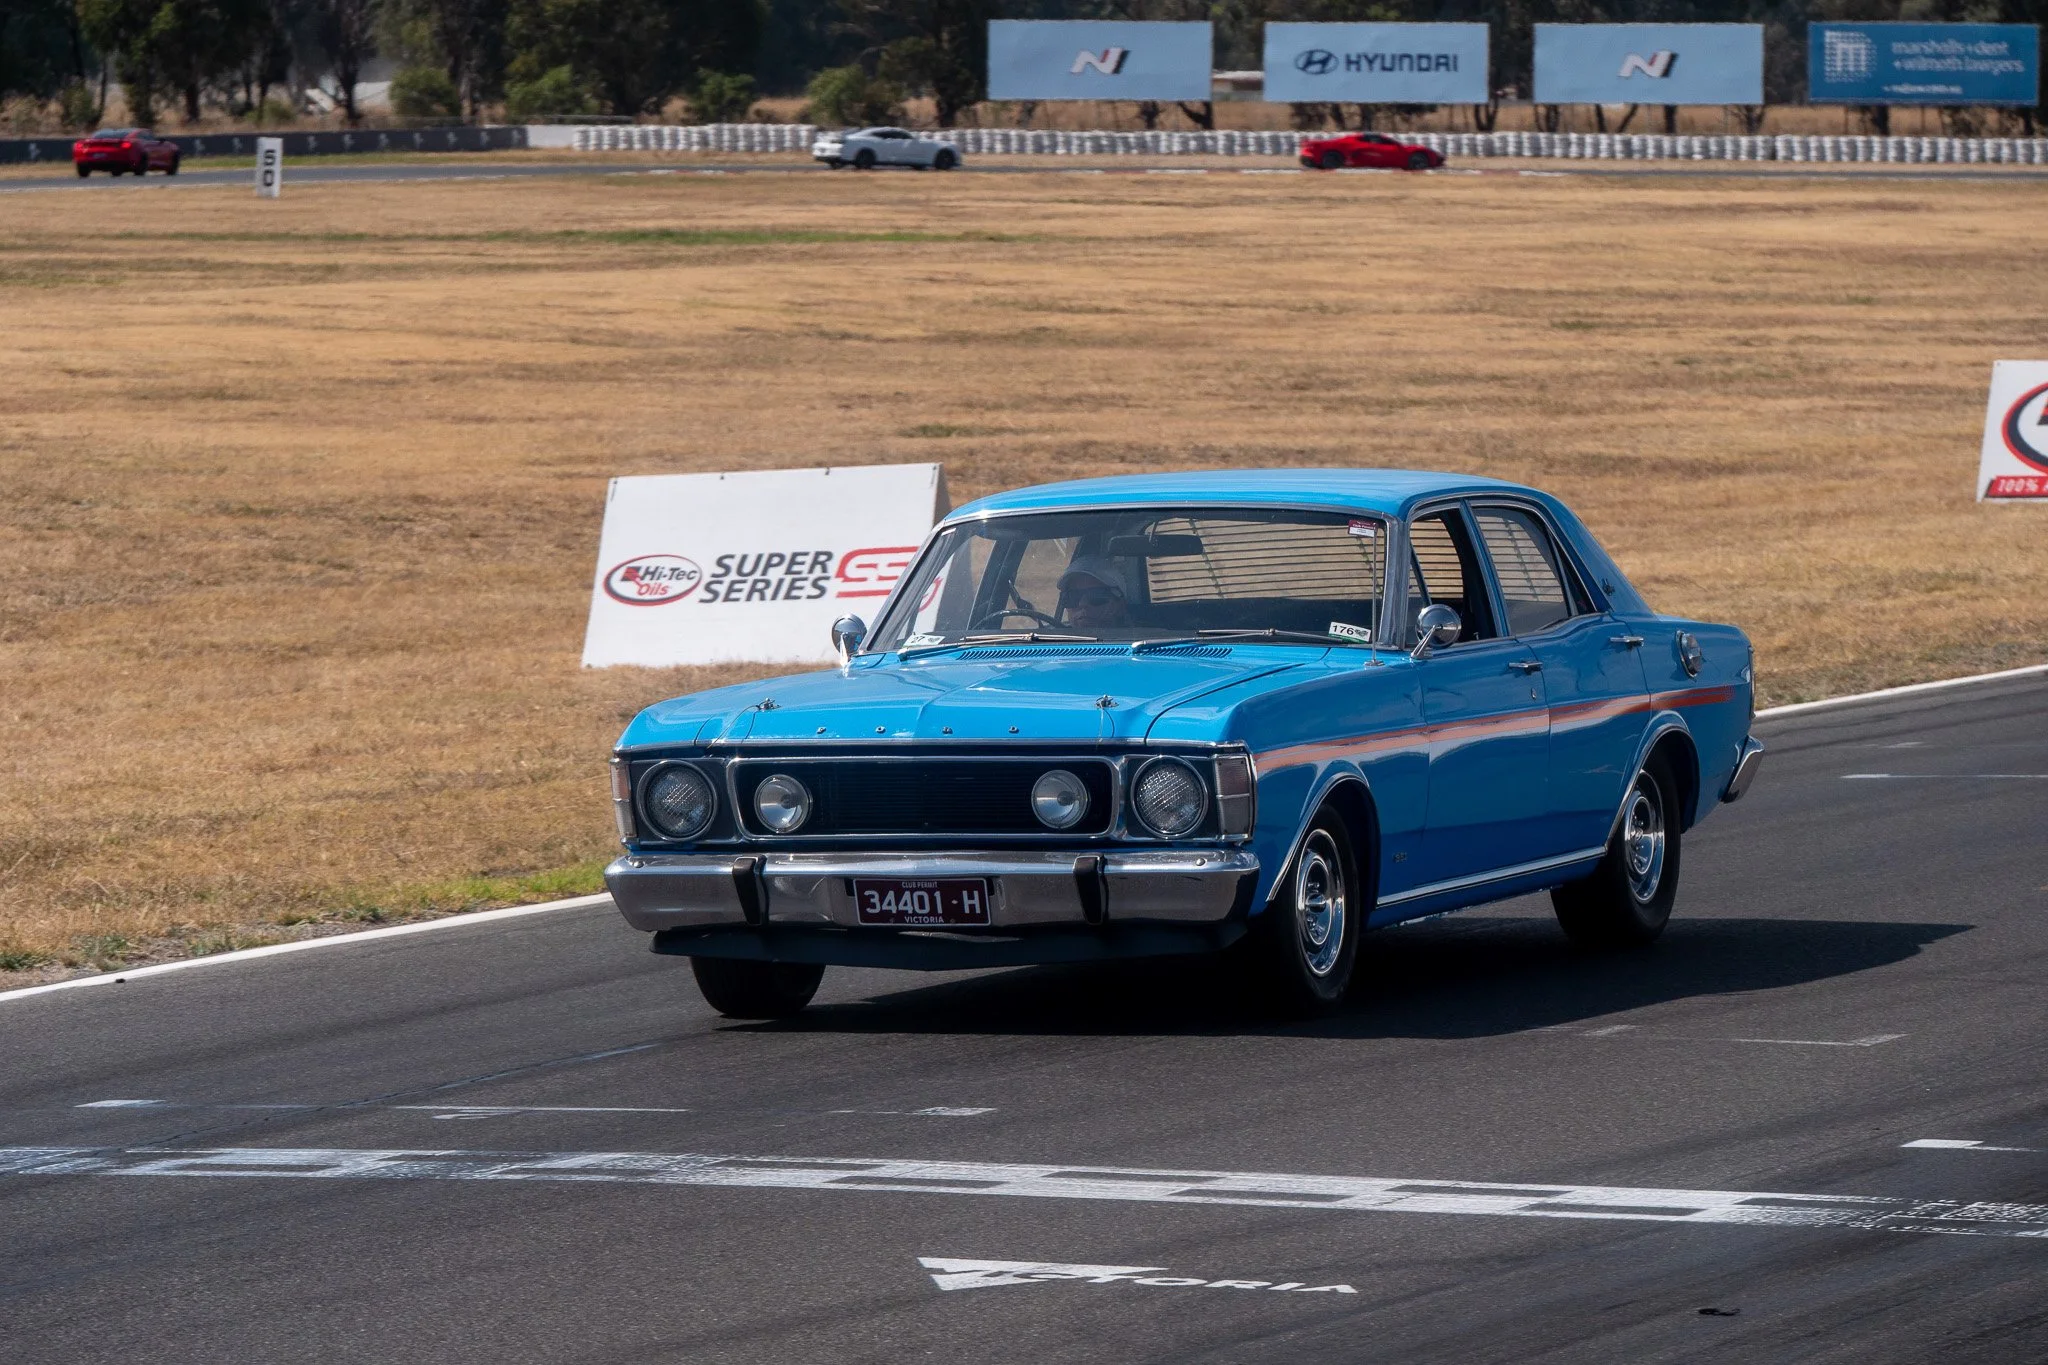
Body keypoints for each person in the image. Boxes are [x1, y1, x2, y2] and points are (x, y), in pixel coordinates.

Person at [1057, 557, 1132, 630]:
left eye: (1095, 595)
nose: (1082, 604)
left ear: (1120, 605)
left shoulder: (1136, 637)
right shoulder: (1054, 635)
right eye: (1072, 597)